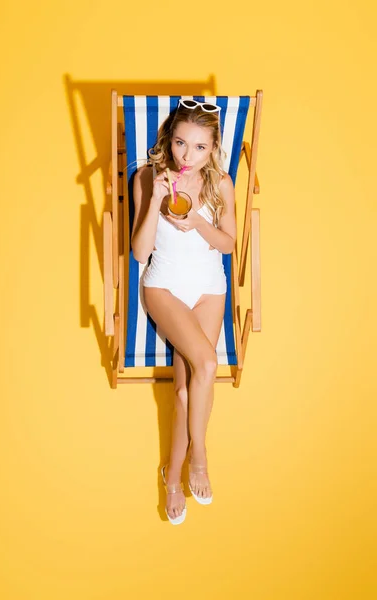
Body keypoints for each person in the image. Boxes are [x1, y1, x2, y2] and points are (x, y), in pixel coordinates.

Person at [131, 99, 236, 525]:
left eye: (198, 147)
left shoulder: (221, 184)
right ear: (169, 140)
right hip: (164, 287)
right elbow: (140, 253)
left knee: (183, 391)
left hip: (209, 290)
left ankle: (171, 476)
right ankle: (200, 456)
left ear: (212, 149)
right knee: (208, 363)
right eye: (179, 143)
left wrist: (197, 223)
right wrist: (156, 199)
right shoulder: (149, 178)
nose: (186, 156)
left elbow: (228, 245)